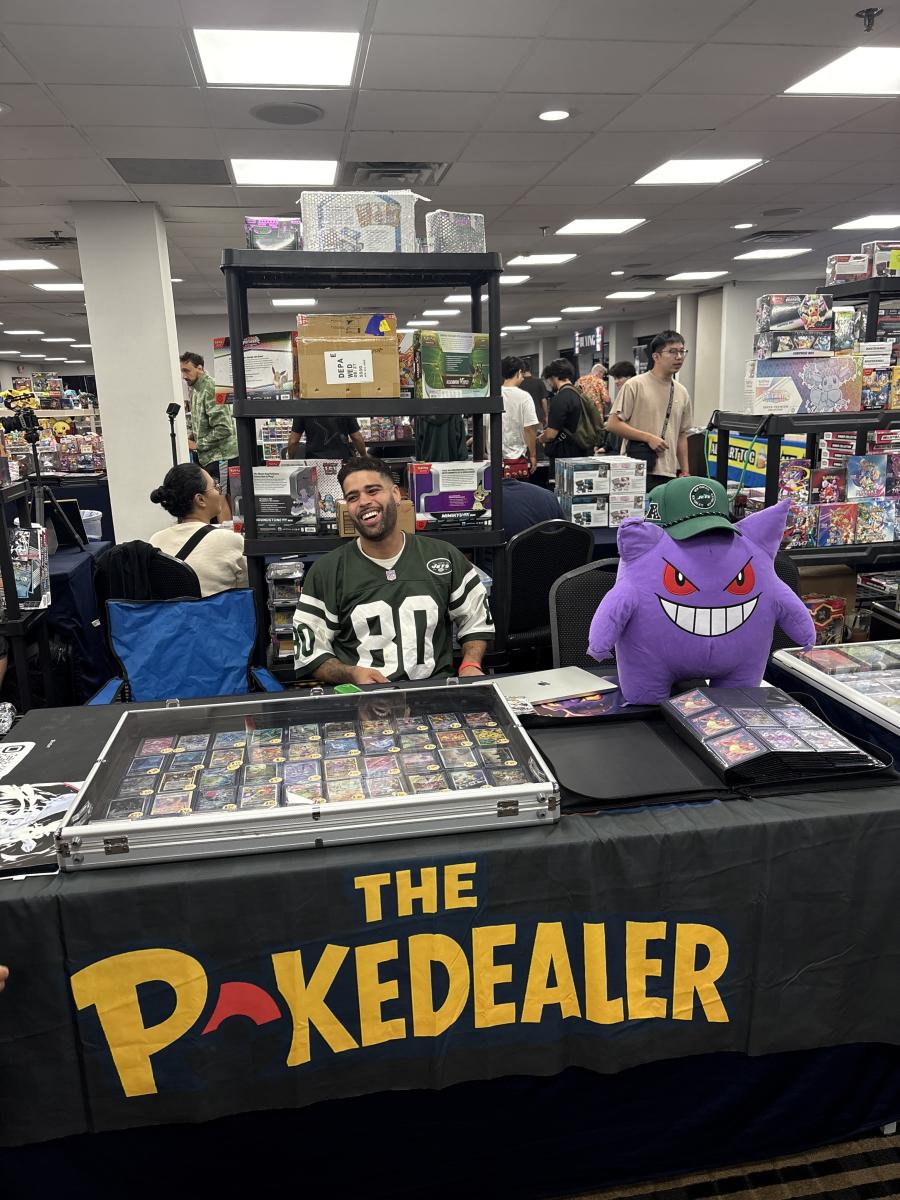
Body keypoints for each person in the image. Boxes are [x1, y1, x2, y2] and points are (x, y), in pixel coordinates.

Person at [293, 457, 493, 684]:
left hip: (433, 693)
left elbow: (476, 620)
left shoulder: (444, 556)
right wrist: (351, 673)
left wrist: (470, 664)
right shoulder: (326, 571)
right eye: (353, 497)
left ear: (396, 494)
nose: (364, 501)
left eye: (373, 491)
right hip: (364, 699)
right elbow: (311, 653)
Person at [606, 330, 693, 492]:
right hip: (635, 469)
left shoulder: (682, 392)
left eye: (682, 351)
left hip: (668, 472)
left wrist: (685, 471)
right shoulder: (635, 385)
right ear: (656, 357)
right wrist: (648, 438)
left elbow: (681, 434)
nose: (679, 357)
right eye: (672, 352)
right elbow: (613, 424)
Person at [149, 463, 249, 597]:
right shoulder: (231, 540)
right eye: (215, 486)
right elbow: (248, 590)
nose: (219, 492)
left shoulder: (156, 540)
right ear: (200, 499)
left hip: (171, 611)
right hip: (216, 610)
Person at [179, 351, 239, 491]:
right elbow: (205, 422)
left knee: (221, 498)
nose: (184, 376)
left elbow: (224, 428)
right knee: (214, 498)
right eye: (182, 371)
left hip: (222, 458)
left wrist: (198, 444)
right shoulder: (197, 390)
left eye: (187, 370)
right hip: (209, 458)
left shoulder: (211, 387)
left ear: (199, 368)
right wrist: (193, 435)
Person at [494, 356, 540, 474]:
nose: (523, 378)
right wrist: (533, 455)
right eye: (522, 374)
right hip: (516, 459)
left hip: (493, 458)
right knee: (516, 486)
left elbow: (484, 427)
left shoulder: (492, 396)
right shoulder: (524, 397)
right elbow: (529, 428)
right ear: (519, 372)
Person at [538, 359, 586, 463]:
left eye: (548, 380)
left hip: (564, 455)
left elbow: (551, 434)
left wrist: (541, 439)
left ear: (554, 377)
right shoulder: (579, 394)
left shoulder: (560, 398)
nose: (549, 384)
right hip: (582, 450)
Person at [286, 416, 366, 461]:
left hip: (315, 461)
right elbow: (356, 437)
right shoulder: (343, 405)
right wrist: (364, 456)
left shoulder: (303, 408)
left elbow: (293, 441)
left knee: (314, 485)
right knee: (342, 484)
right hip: (341, 460)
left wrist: (290, 459)